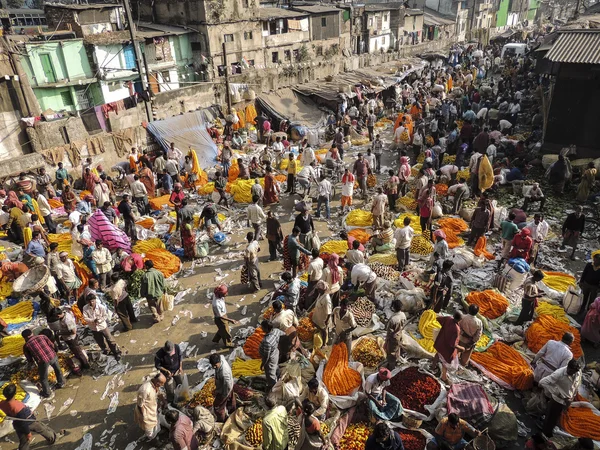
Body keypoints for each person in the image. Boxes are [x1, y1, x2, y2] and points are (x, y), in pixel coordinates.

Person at [0, 384, 63, 450]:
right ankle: (53, 438)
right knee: (42, 428)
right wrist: (28, 433)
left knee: (24, 442)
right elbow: (23, 424)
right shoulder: (17, 407)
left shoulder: (2, 404)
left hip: (16, 424)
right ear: (15, 393)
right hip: (29, 422)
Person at [539, 359, 583, 437]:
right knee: (550, 419)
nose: (573, 373)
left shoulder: (578, 372)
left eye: (575, 372)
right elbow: (543, 382)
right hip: (557, 400)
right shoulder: (559, 373)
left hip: (567, 401)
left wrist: (572, 397)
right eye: (571, 371)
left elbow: (576, 385)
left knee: (557, 418)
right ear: (568, 368)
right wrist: (557, 393)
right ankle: (545, 435)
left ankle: (549, 430)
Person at [21, 328, 64, 398]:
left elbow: (29, 359)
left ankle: (47, 393)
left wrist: (32, 364)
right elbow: (52, 345)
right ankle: (61, 383)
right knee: (57, 369)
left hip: (42, 362)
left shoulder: (26, 346)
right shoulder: (42, 336)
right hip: (52, 356)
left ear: (24, 338)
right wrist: (55, 351)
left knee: (43, 378)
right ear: (31, 333)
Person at [83, 295, 121, 360]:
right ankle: (107, 351)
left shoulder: (101, 307)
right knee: (100, 341)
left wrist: (100, 320)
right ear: (87, 302)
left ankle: (116, 352)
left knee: (110, 340)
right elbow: (85, 318)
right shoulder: (85, 308)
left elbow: (105, 316)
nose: (91, 303)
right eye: (90, 302)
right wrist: (92, 320)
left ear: (95, 300)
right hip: (94, 328)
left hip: (102, 326)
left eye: (93, 301)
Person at [134, 373, 167, 440]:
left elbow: (159, 393)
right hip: (146, 412)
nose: (163, 385)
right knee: (150, 429)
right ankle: (153, 440)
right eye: (162, 383)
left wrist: (164, 402)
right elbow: (140, 405)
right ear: (157, 382)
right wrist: (144, 416)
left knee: (156, 422)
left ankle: (157, 431)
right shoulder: (145, 390)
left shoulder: (156, 386)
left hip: (153, 409)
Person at [433, 311, 463, 383]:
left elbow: (438, 319)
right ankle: (444, 377)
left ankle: (433, 366)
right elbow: (453, 344)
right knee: (445, 362)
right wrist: (461, 348)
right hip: (447, 348)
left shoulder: (448, 319)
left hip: (440, 342)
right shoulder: (456, 329)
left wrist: (444, 328)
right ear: (460, 319)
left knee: (438, 353)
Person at [209, 353, 236, 422]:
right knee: (231, 399)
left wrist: (223, 396)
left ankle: (222, 420)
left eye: (215, 365)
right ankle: (233, 411)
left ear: (219, 362)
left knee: (218, 406)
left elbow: (227, 386)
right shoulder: (220, 358)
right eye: (213, 365)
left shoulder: (224, 373)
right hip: (226, 385)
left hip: (226, 389)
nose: (214, 367)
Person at [259, 320, 284, 390]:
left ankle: (274, 387)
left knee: (270, 374)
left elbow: (266, 356)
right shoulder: (276, 331)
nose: (261, 328)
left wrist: (263, 364)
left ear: (266, 329)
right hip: (276, 353)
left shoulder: (267, 341)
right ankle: (278, 376)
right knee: (275, 366)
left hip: (270, 358)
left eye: (262, 327)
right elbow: (284, 334)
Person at [385, 299, 406, 370]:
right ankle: (396, 359)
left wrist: (386, 342)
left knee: (391, 353)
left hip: (393, 338)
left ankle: (392, 367)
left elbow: (389, 333)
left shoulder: (393, 319)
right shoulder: (403, 315)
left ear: (394, 307)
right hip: (400, 334)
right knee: (397, 348)